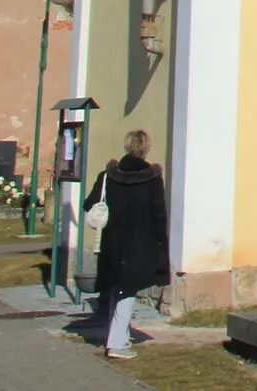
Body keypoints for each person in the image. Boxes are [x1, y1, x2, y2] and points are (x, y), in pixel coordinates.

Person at [83, 129, 169, 360]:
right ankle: (117, 343)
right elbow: (159, 214)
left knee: (117, 288)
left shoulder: (107, 176)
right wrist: (161, 242)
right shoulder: (152, 178)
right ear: (146, 148)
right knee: (127, 290)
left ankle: (118, 334)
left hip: (112, 242)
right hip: (141, 243)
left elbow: (89, 203)